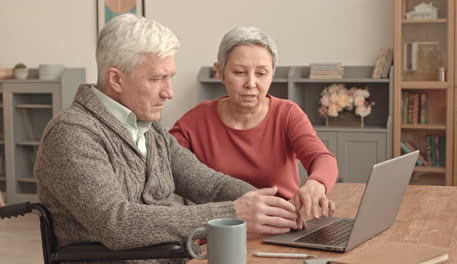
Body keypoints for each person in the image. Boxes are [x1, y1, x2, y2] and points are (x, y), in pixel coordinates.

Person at [33, 14, 299, 264]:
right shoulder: (72, 134)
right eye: (157, 78)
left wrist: (271, 208)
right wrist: (232, 213)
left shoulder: (152, 131)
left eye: (169, 77)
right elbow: (116, 223)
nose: (169, 92)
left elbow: (210, 185)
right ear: (115, 79)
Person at [170, 26, 338, 226]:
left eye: (261, 73)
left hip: (284, 225)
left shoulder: (287, 114)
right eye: (240, 72)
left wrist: (316, 184)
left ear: (272, 74)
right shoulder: (195, 121)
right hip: (222, 230)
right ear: (219, 72)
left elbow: (322, 157)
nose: (251, 83)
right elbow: (163, 162)